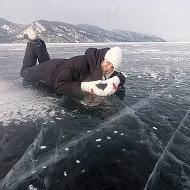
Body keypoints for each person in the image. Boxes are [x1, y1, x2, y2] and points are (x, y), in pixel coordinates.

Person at [20, 28, 126, 97]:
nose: (107, 68)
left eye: (112, 66)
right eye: (107, 62)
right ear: (103, 58)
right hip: (48, 72)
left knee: (45, 62)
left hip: (57, 66)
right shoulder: (80, 63)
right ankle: (33, 42)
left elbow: (120, 76)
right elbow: (60, 86)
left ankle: (37, 44)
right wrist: (86, 87)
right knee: (25, 71)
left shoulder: (105, 68)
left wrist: (117, 80)